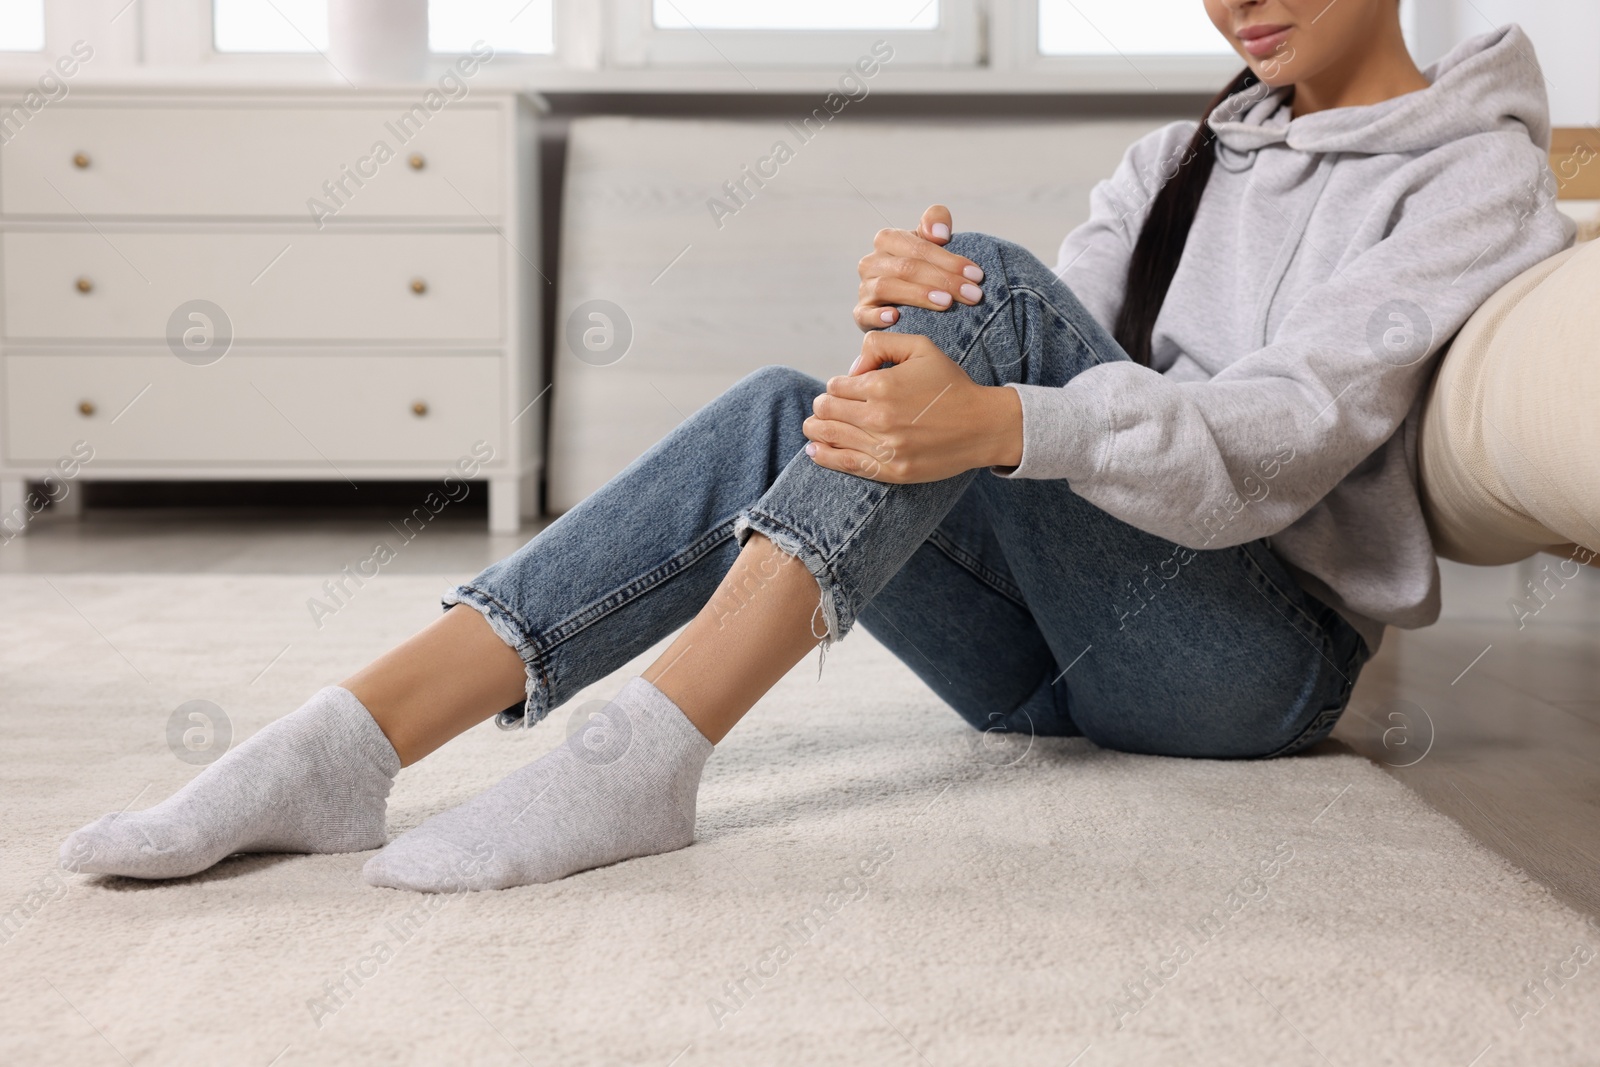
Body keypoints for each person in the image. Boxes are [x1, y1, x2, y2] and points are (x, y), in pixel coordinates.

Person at [60, 1, 1572, 892]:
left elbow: (1287, 438)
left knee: (984, 292)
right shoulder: (1173, 160)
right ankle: (344, 746)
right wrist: (921, 337)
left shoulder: (1472, 176)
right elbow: (1052, 364)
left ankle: (647, 758)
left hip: (1251, 666)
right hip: (1054, 663)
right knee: (819, 386)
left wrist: (996, 398)